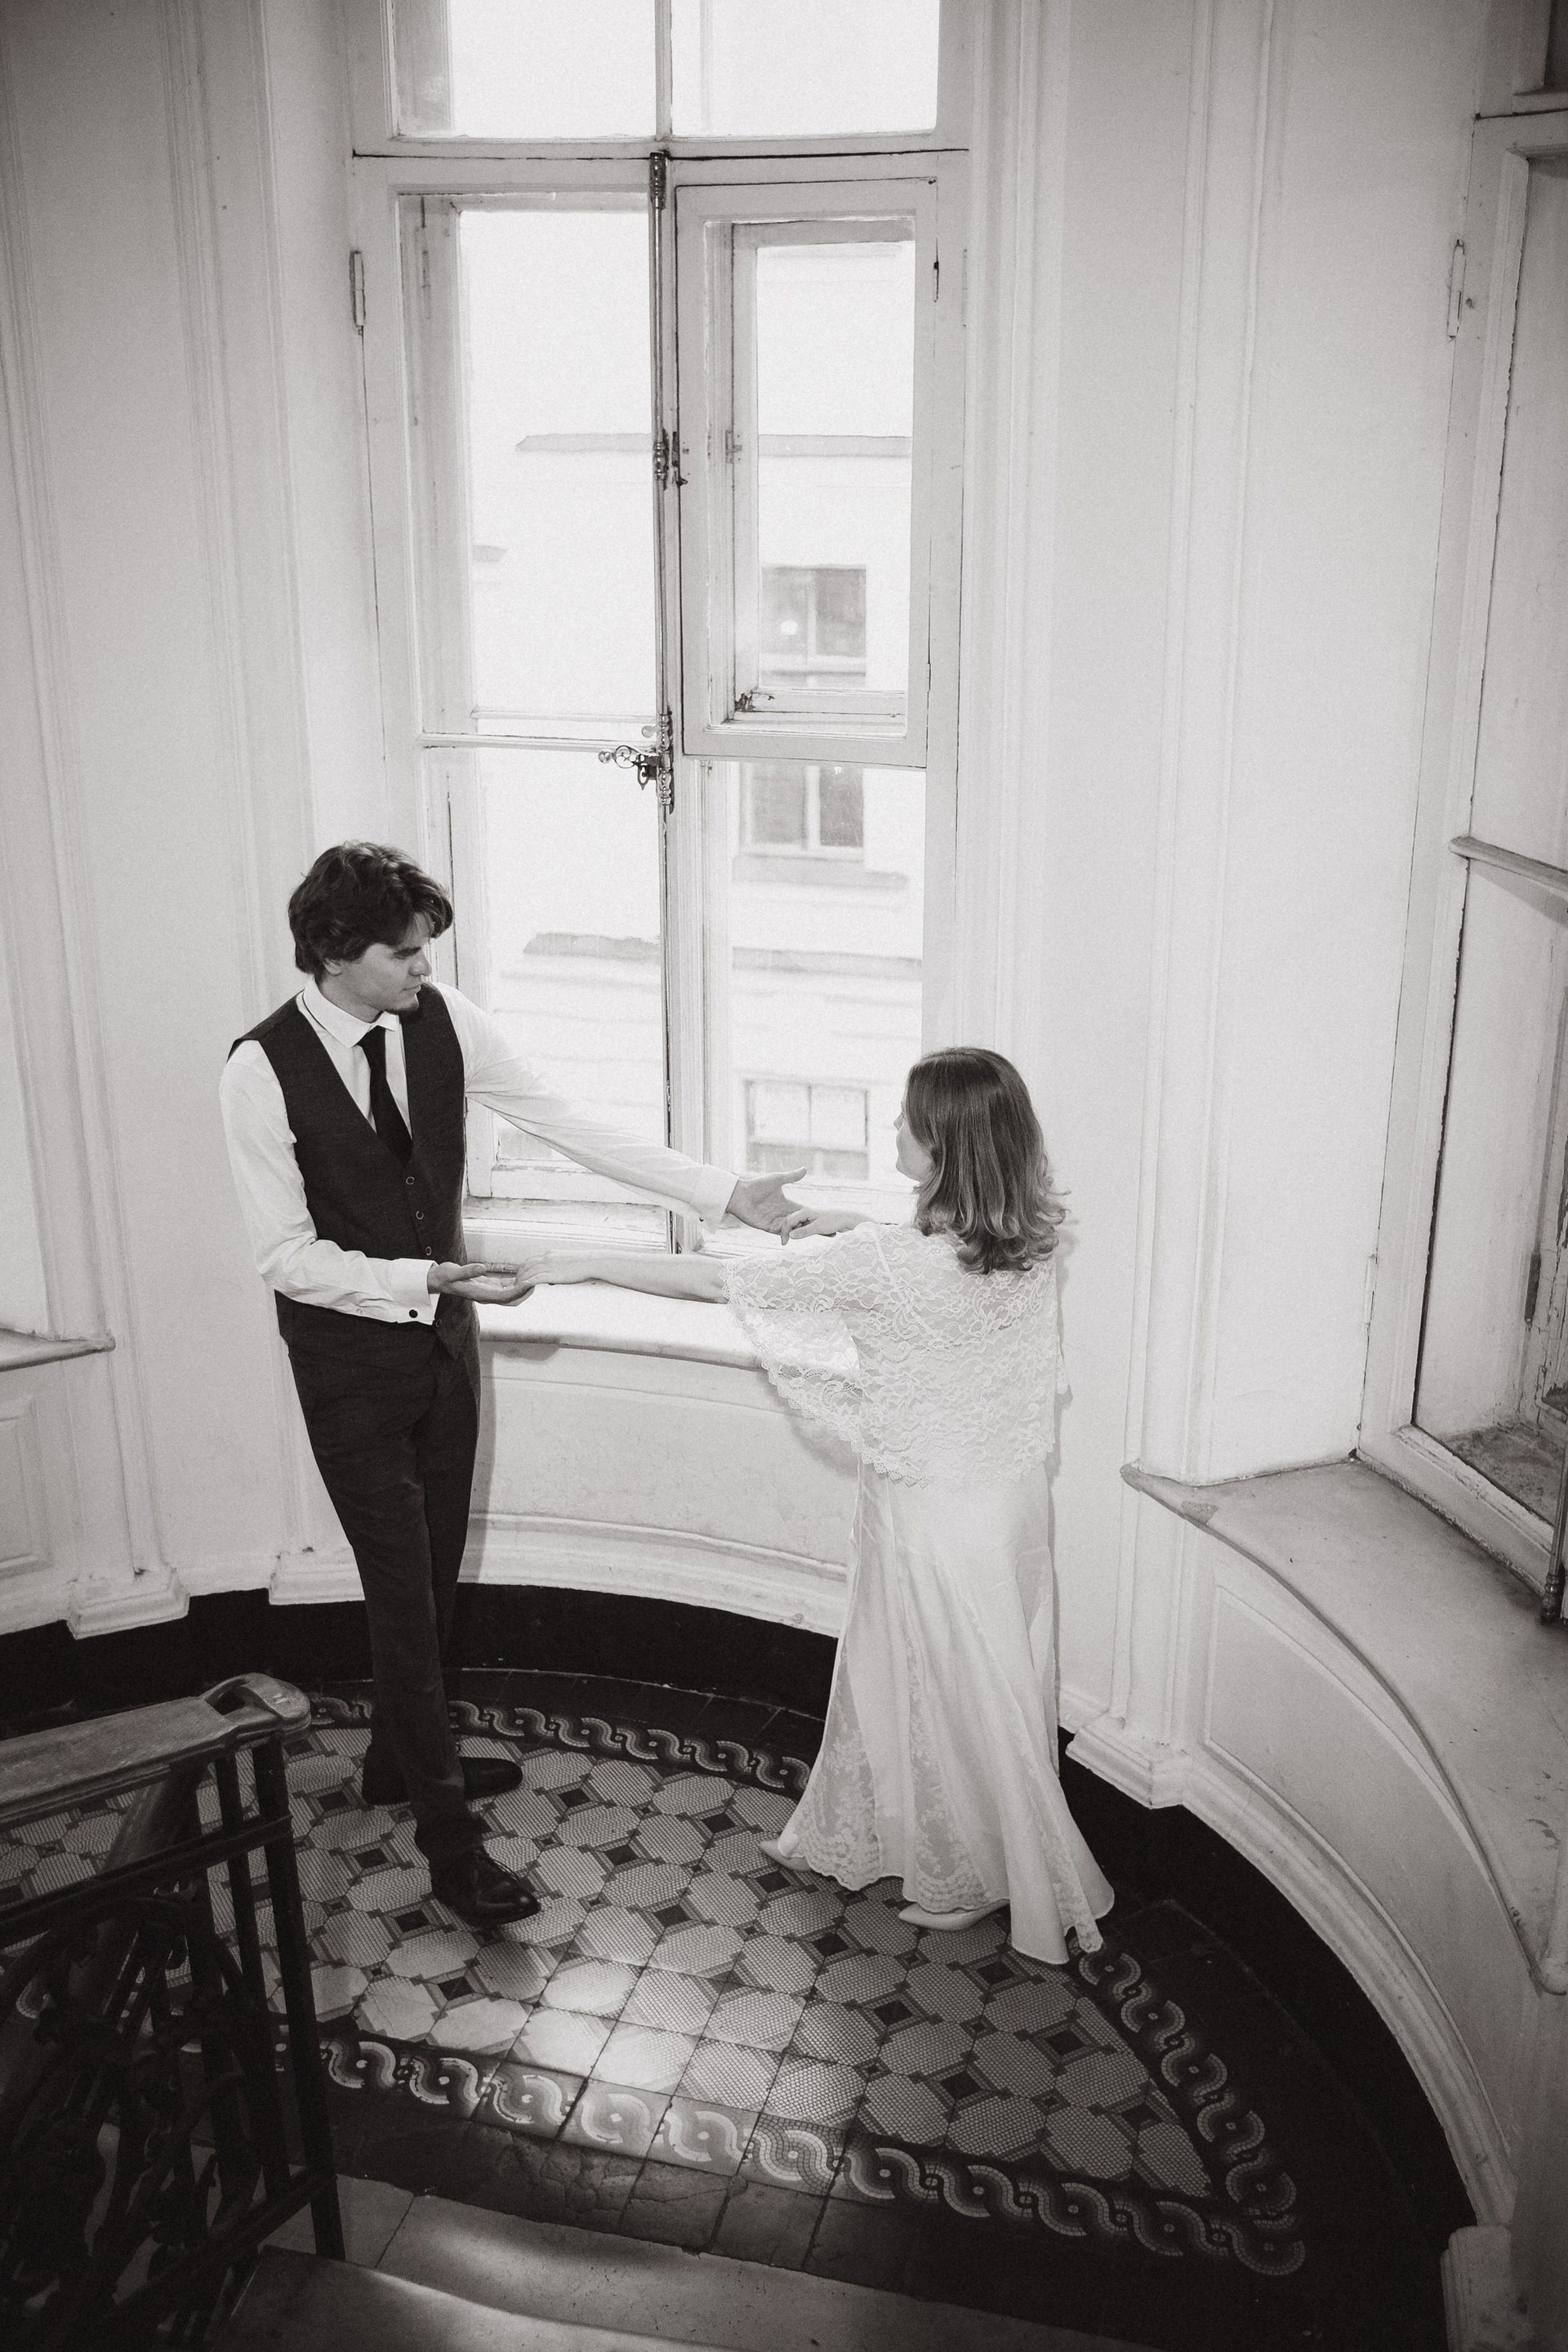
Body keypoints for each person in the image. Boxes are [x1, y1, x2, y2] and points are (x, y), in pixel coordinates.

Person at [220, 842, 800, 1930]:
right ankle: (452, 1851)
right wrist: (424, 1278)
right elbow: (285, 1257)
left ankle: (395, 1764)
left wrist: (728, 1194)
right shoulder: (259, 1070)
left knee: (432, 1581)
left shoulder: (443, 1021)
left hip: (446, 1350)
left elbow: (569, 1122)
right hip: (347, 1371)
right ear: (336, 954)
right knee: (401, 1602)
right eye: (403, 953)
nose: (423, 969)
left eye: (426, 950)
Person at [510, 1047, 1114, 1966]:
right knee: (986, 1684)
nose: (893, 1128)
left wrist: (572, 1262)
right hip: (1004, 1505)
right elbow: (928, 1269)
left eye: (908, 1120)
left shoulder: (886, 1263)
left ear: (946, 1146)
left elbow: (716, 1282)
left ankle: (972, 1876)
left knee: (942, 1691)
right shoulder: (1028, 1241)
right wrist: (852, 1226)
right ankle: (940, 1846)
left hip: (928, 1515)